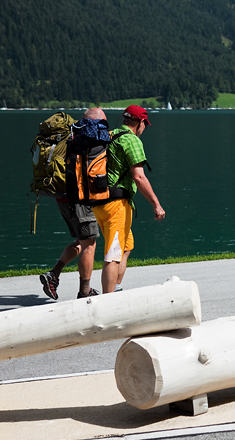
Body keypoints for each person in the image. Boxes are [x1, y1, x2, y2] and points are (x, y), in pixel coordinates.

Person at [93, 105, 165, 294]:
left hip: (99, 201)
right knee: (112, 255)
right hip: (116, 205)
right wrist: (156, 205)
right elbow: (139, 177)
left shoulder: (108, 135)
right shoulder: (131, 140)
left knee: (126, 246)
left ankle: (115, 288)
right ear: (140, 122)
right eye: (145, 125)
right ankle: (107, 302)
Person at [39, 107, 106, 300]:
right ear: (95, 120)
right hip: (80, 197)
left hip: (63, 197)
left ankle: (53, 275)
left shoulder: (70, 134)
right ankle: (85, 292)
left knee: (81, 241)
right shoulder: (92, 134)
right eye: (103, 121)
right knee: (89, 245)